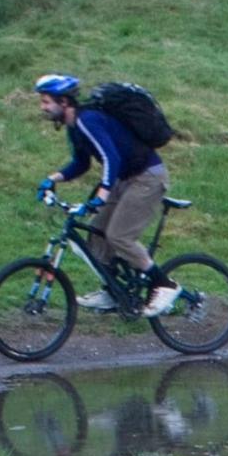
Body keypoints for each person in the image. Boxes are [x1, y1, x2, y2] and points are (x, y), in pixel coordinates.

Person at [31, 75, 175, 315]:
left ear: (64, 102)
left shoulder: (88, 120)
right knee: (97, 238)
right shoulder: (75, 126)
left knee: (120, 236)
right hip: (126, 179)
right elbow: (81, 163)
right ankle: (112, 292)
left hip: (147, 177)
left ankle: (164, 284)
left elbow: (111, 158)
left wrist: (101, 195)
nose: (43, 108)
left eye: (46, 102)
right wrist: (52, 179)